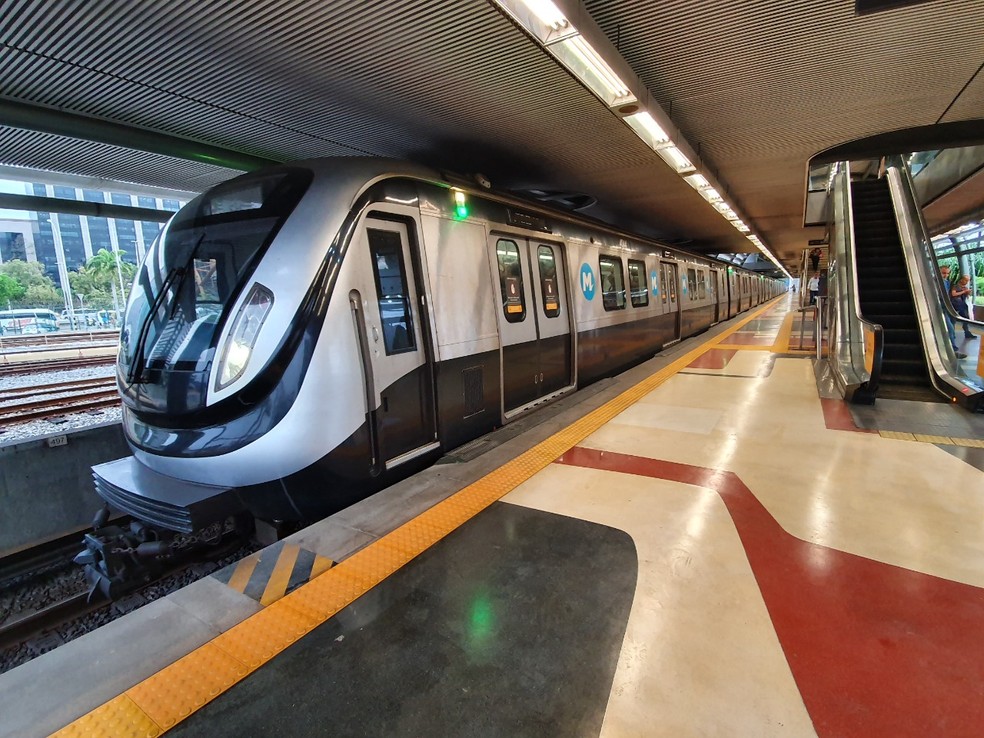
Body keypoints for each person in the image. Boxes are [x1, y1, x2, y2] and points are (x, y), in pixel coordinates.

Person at [940, 266, 967, 358]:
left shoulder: (947, 282)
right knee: (950, 328)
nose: (946, 275)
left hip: (946, 308)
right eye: (943, 273)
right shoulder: (933, 282)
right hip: (939, 308)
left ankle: (953, 350)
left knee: (951, 329)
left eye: (947, 273)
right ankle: (952, 350)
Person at [950, 274, 976, 339]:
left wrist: (967, 293)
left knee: (966, 319)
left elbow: (966, 296)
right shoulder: (955, 286)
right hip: (955, 305)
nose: (966, 282)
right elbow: (953, 294)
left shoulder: (965, 288)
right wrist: (963, 291)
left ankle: (967, 332)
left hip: (962, 305)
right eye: (966, 280)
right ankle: (952, 334)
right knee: (953, 320)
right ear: (961, 279)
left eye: (968, 281)